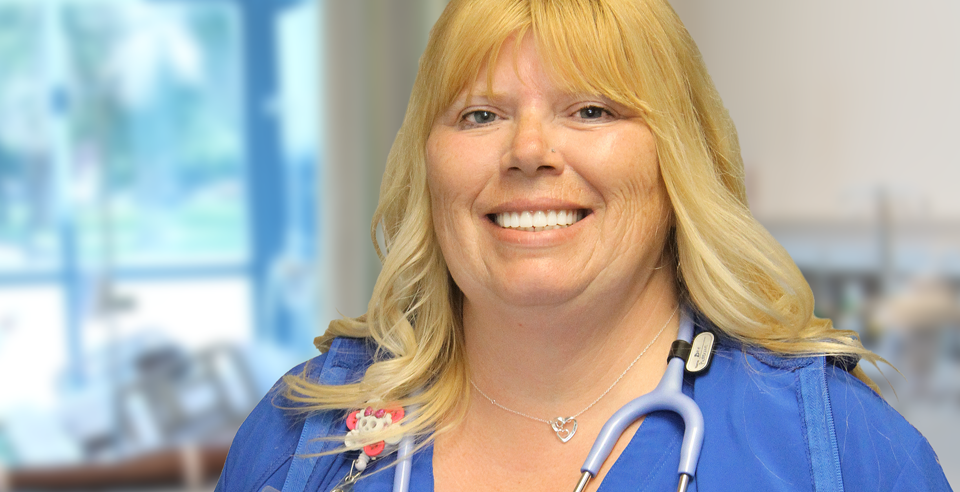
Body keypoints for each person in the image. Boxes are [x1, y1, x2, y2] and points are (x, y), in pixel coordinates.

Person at [217, 0, 952, 490]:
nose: (528, 150)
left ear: (676, 162)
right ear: (427, 166)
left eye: (591, 109)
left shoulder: (839, 446)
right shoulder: (302, 434)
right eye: (479, 115)